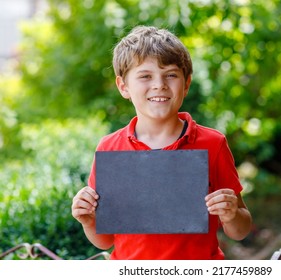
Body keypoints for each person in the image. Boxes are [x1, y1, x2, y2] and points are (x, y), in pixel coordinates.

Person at [71, 25, 252, 260]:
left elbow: (241, 229)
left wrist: (231, 215)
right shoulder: (109, 148)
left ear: (186, 84)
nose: (159, 84)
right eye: (145, 76)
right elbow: (105, 240)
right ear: (123, 86)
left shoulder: (213, 143)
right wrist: (88, 220)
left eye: (171, 75)